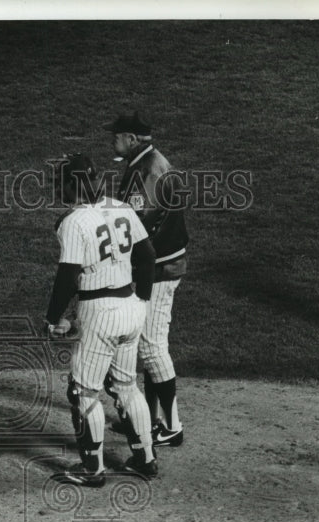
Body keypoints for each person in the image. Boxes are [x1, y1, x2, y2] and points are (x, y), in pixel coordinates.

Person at [45, 153, 158, 486]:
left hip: (99, 312)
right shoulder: (122, 207)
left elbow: (68, 277)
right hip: (131, 306)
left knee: (83, 392)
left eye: (61, 182)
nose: (58, 188)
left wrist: (52, 318)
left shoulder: (73, 221)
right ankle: (145, 460)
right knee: (126, 386)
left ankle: (92, 470)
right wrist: (142, 300)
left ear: (73, 184)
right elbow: (148, 257)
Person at [104, 112, 185, 447]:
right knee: (148, 347)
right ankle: (150, 420)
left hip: (161, 269)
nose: (113, 141)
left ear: (132, 139)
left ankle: (172, 426)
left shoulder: (149, 169)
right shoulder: (145, 162)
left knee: (152, 347)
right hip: (159, 265)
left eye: (117, 136)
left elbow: (140, 224)